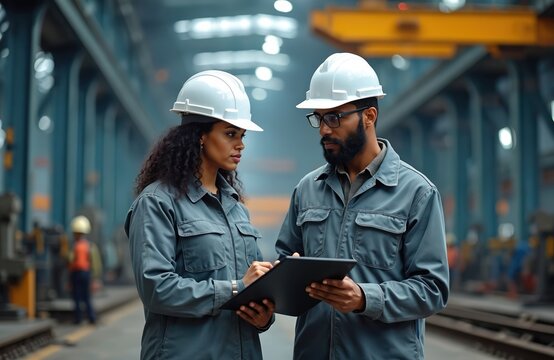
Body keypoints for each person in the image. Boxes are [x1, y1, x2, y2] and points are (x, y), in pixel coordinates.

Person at [275, 53, 449, 359]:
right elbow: (284, 263)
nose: (323, 130)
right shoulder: (307, 190)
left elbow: (432, 289)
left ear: (369, 116)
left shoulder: (416, 193)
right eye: (318, 117)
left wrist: (365, 298)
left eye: (334, 117)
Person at [125, 70, 275, 360]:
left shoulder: (236, 208)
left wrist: (263, 316)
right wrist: (235, 289)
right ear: (200, 137)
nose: (240, 144)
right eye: (230, 134)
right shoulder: (158, 203)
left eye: (241, 135)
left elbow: (250, 287)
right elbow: (157, 288)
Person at [68, 215, 98, 324]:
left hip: (76, 273)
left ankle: (78, 319)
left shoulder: (74, 246)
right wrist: (95, 278)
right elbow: (94, 263)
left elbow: (71, 260)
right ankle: (91, 317)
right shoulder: (90, 246)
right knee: (86, 297)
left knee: (77, 297)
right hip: (85, 273)